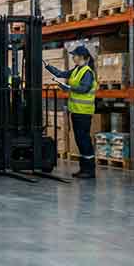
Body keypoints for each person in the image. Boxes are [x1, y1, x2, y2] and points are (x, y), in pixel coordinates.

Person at [45, 45, 97, 179]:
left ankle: (90, 170)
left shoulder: (87, 72)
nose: (72, 57)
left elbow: (84, 89)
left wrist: (68, 88)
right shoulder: (76, 70)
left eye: (74, 55)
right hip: (76, 111)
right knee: (80, 140)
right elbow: (60, 74)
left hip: (84, 113)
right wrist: (47, 66)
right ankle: (84, 169)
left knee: (84, 140)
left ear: (82, 57)